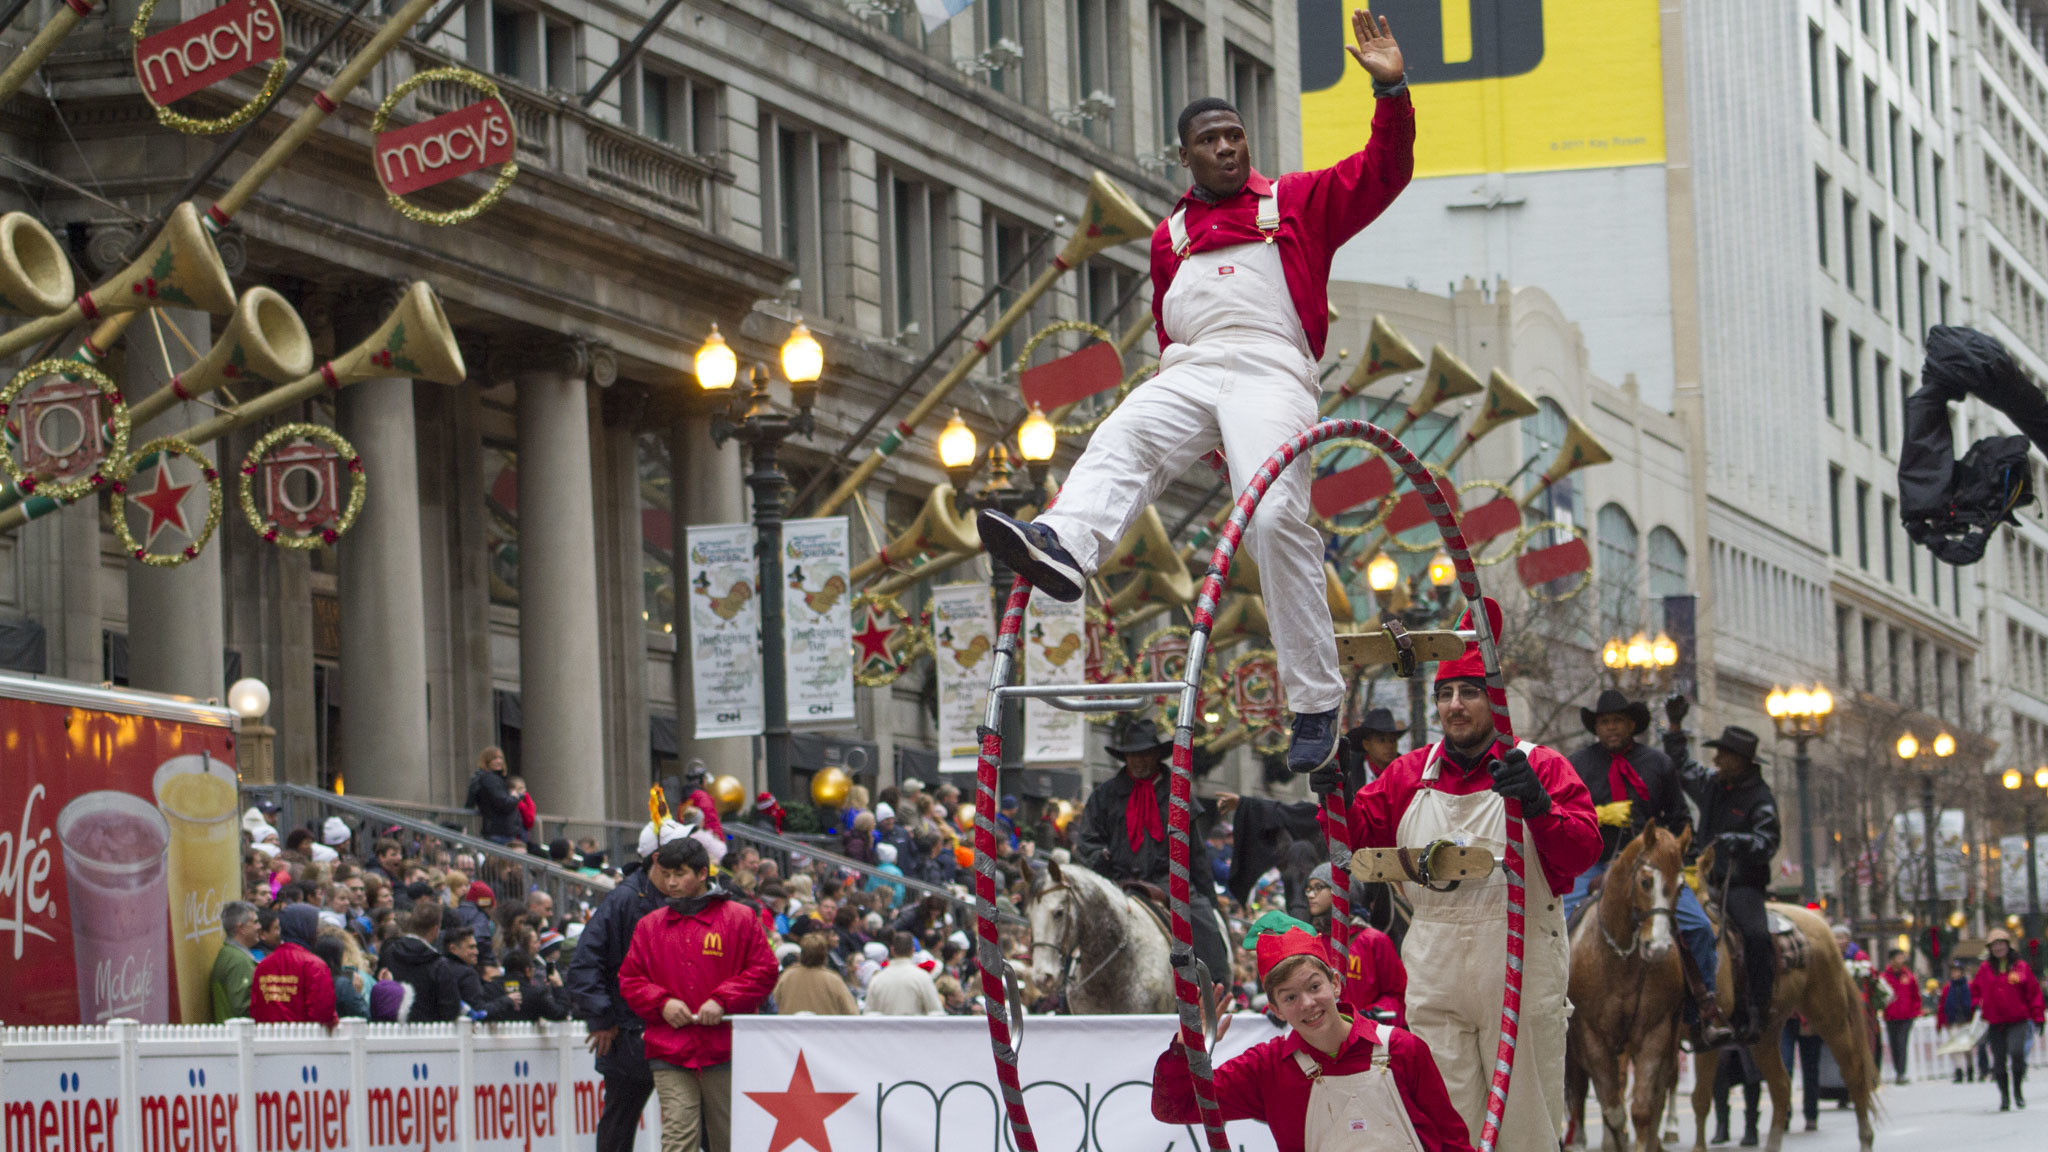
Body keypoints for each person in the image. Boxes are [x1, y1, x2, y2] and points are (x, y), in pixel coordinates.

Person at [975, 9, 1413, 777]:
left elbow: (1384, 172)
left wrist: (1392, 92)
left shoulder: (1299, 203)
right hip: (1191, 368)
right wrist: (1205, 430)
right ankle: (1066, 546)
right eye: (1209, 139)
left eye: (1234, 135)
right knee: (1122, 434)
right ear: (1185, 156)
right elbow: (1171, 328)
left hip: (1272, 368)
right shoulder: (1167, 236)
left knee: (1275, 516)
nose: (1225, 146)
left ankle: (1314, 697)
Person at [1328, 598, 1598, 1151]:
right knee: (1445, 1118)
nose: (1455, 706)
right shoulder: (1407, 774)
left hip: (1518, 957)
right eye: (1445, 694)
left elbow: (1581, 854)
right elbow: (1349, 842)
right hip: (1433, 959)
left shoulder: (1541, 765)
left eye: (1469, 691)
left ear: (1493, 698)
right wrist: (1334, 785)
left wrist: (1541, 806)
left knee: (1527, 1117)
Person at [1150, 911, 1469, 1151]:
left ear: (1335, 983)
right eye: (1289, 997)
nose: (1307, 1003)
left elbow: (1453, 1141)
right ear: (1274, 1009)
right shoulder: (1266, 1068)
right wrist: (1185, 1045)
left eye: (1314, 986)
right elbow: (1175, 1108)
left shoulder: (1404, 1049)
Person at [1565, 689, 1728, 1045]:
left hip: (1652, 870)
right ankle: (1552, 1011)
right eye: (1605, 722)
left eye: (1618, 721)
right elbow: (1561, 813)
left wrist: (1682, 867)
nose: (1611, 728)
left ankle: (1703, 1010)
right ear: (1597, 726)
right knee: (1558, 926)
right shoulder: (1577, 764)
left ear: (1632, 724)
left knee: (1699, 926)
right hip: (1594, 863)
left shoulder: (1658, 764)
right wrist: (1600, 815)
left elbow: (1680, 817)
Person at [618, 836, 777, 1152]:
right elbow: (630, 979)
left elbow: (765, 971)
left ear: (703, 873)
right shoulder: (650, 925)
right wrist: (662, 1003)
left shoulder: (739, 918)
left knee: (729, 1140)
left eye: (680, 874)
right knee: (678, 1139)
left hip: (726, 1047)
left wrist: (722, 999)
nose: (671, 883)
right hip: (670, 1048)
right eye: (666, 875)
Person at [567, 813, 695, 1152]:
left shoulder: (681, 896)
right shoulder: (624, 901)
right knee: (620, 1125)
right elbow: (584, 962)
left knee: (695, 1120)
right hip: (629, 1034)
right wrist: (601, 1017)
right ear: (658, 859)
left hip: (673, 1029)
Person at [1074, 717, 1231, 983]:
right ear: (1125, 757)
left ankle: (1216, 986)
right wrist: (1100, 858)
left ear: (1157, 755)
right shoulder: (1104, 795)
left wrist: (1208, 898)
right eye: (1132, 755)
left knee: (1203, 924)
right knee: (1073, 927)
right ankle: (1067, 990)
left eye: (1145, 754)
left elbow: (1196, 852)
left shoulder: (1178, 793)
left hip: (1170, 883)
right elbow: (1087, 840)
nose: (1138, 761)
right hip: (1117, 882)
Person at [1662, 699, 1781, 1045]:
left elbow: (1768, 842)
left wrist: (1739, 842)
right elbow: (1681, 766)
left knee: (1757, 937)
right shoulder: (1712, 784)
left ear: (1741, 761)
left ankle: (1758, 1010)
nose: (1715, 760)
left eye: (1724, 755)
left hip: (1742, 885)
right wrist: (1675, 727)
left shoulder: (1761, 797)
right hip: (1702, 877)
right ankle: (1690, 1006)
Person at [1306, 862, 1404, 1027]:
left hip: (1365, 1037)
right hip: (1319, 1039)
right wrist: (1276, 1010)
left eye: (1318, 887)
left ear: (1342, 892)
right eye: (1308, 889)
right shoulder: (1309, 940)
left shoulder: (1374, 941)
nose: (1310, 895)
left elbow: (1397, 995)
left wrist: (1376, 1013)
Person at [1969, 927, 2045, 1110]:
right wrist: (1977, 1005)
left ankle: (2017, 1090)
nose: (1998, 948)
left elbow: (2033, 993)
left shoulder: (2020, 966)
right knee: (1999, 1062)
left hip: (2018, 1019)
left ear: (2008, 946)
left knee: (2017, 1053)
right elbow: (1975, 991)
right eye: (1994, 945)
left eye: (2001, 944)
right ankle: (2004, 1096)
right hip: (1995, 1022)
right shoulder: (1985, 969)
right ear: (1990, 948)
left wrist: (2038, 1016)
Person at [250, 903, 339, 1027]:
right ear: (304, 926)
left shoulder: (263, 965)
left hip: (267, 1039)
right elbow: (323, 1014)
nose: (318, 930)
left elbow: (255, 1008)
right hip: (305, 1040)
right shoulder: (314, 965)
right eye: (315, 925)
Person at [381, 900, 465, 1023]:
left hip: (390, 1030)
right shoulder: (438, 964)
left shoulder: (388, 953)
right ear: (435, 929)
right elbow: (450, 1009)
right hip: (430, 1033)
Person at [772, 933, 860, 1015]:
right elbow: (851, 1013)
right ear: (825, 955)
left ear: (801, 954)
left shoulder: (787, 976)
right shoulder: (833, 980)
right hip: (824, 1030)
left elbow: (774, 1005)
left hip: (790, 1030)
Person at [864, 932, 944, 1016]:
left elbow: (868, 1014)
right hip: (915, 1028)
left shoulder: (877, 979)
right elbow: (936, 1012)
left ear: (892, 950)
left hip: (886, 1028)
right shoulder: (923, 978)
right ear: (912, 951)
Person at [210, 901, 266, 1022]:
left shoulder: (230, 954)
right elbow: (243, 1007)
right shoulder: (238, 960)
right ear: (241, 928)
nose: (259, 926)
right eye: (255, 922)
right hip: (238, 1036)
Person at [1878, 949, 1921, 1085]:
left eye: (1902, 957)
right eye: (1898, 957)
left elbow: (1916, 996)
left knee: (1902, 1043)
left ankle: (1901, 1073)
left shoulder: (1909, 976)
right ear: (1891, 960)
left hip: (1906, 1016)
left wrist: (1914, 1011)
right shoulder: (1884, 977)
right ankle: (1898, 1071)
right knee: (1894, 1044)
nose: (1901, 960)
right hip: (1891, 1016)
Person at [466, 745, 524, 844]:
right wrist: (515, 797)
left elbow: (469, 803)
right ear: (487, 761)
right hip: (500, 832)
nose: (499, 761)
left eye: (501, 758)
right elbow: (504, 803)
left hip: (496, 830)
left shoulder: (485, 778)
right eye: (494, 758)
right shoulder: (490, 780)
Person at [313, 932, 370, 1019]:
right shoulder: (342, 985)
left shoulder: (311, 980)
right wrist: (357, 993)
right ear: (339, 957)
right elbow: (363, 1015)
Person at [1937, 958, 1976, 1082]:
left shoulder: (1968, 986)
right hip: (1953, 1020)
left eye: (1957, 971)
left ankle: (1970, 1068)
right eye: (1953, 971)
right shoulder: (1947, 988)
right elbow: (1942, 1005)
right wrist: (1941, 1022)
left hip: (1966, 1020)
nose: (1955, 973)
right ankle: (1959, 1070)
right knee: (1955, 1047)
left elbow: (1973, 1002)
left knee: (1967, 1047)